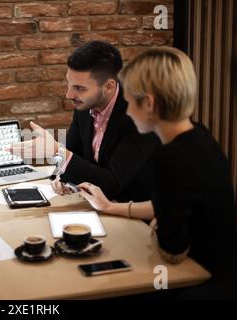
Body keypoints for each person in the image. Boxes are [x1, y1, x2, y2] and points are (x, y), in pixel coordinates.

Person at [78, 47, 237, 298]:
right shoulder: (201, 136)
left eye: (129, 103)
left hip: (198, 279)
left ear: (149, 103)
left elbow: (173, 250)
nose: (127, 112)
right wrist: (111, 207)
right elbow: (174, 204)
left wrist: (154, 225)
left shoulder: (169, 158)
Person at [8, 41, 160, 203]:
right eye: (69, 84)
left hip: (133, 211)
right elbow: (75, 155)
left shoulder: (139, 114)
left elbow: (112, 185)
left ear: (108, 87)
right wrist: (62, 178)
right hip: (94, 204)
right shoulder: (85, 103)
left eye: (79, 88)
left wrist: (57, 152)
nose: (69, 94)